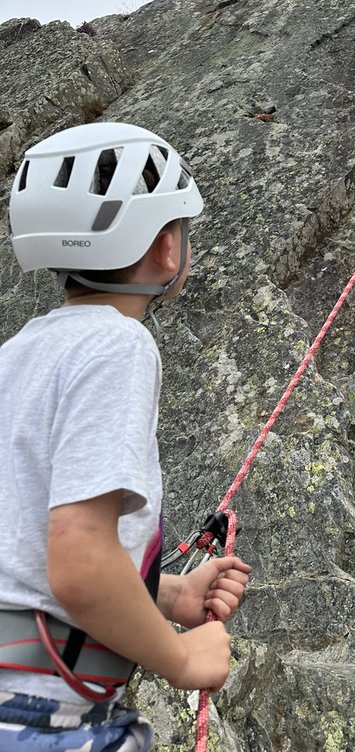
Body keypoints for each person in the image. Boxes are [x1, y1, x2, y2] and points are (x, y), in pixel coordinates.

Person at [0, 122, 252, 750]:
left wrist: (168, 595)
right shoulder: (119, 345)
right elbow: (80, 564)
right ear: (168, 247)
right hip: (50, 716)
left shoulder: (17, 353)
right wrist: (182, 657)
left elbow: (21, 551)